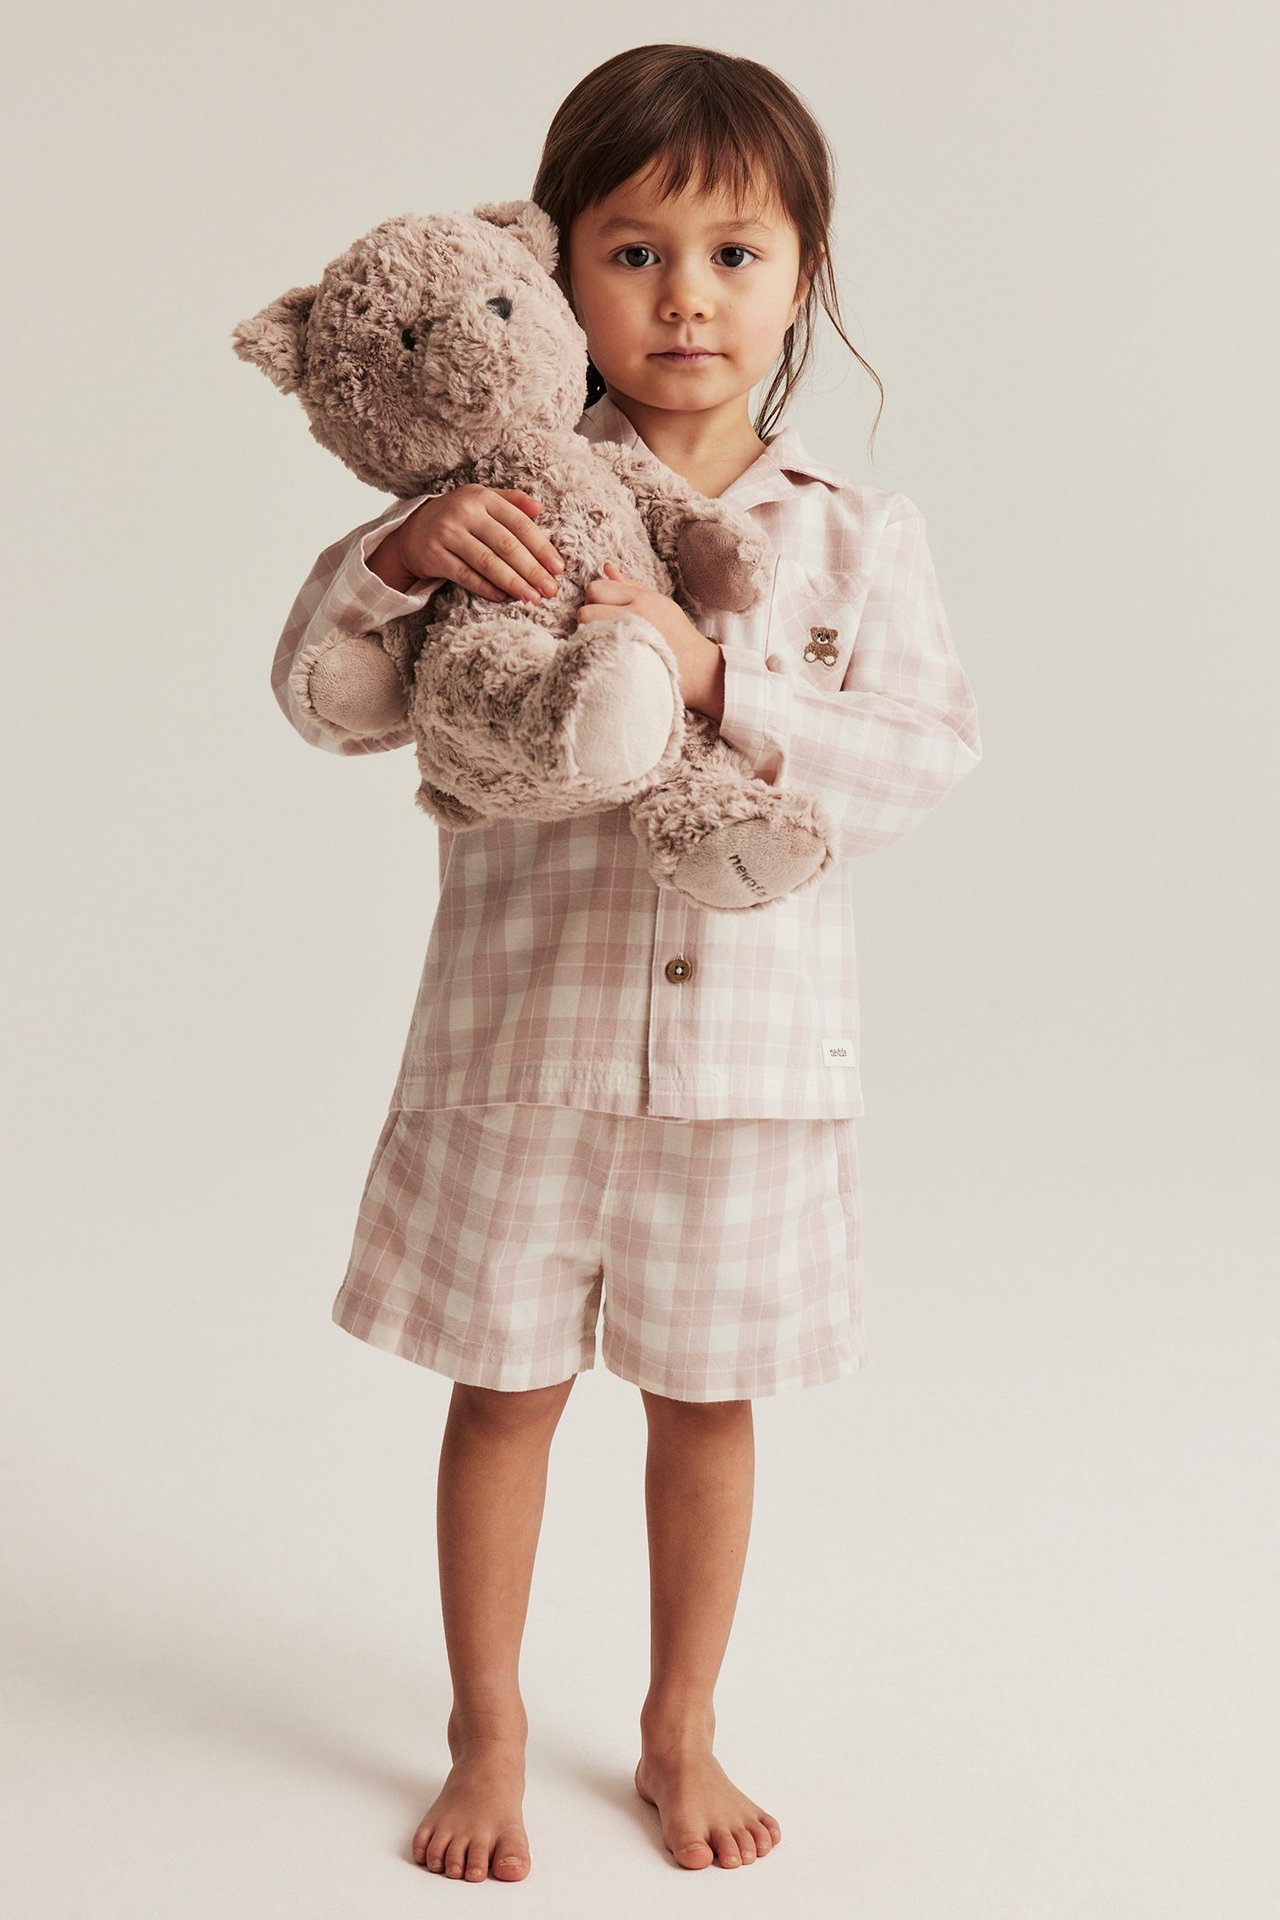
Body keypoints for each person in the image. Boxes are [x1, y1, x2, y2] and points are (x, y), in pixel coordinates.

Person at [268, 43, 981, 1885]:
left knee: (704, 1401)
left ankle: (681, 1724)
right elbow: (329, 708)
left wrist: (713, 667)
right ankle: (486, 1730)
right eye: (636, 252)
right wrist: (394, 555)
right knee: (502, 1395)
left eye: (735, 253)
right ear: (555, 265)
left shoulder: (851, 534)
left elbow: (921, 761)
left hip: (748, 1072)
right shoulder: (493, 504)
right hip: (524, 1046)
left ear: (802, 273)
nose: (686, 298)